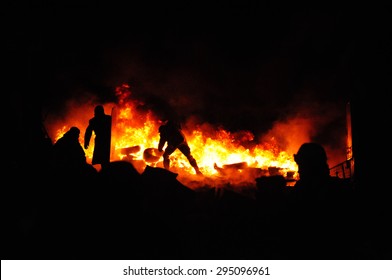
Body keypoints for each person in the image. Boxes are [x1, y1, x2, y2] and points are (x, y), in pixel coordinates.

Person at [84, 105, 112, 169]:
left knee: (105, 159)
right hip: (104, 141)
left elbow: (88, 132)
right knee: (104, 160)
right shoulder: (108, 118)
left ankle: (106, 172)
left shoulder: (107, 119)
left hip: (105, 141)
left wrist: (86, 142)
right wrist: (86, 142)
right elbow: (88, 132)